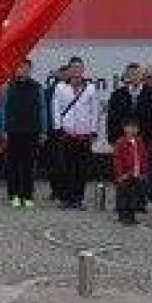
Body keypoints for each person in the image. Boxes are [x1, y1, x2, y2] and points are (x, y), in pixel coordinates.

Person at [49, 57, 98, 209]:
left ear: (83, 70)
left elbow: (94, 111)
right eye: (73, 67)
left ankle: (78, 198)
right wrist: (58, 127)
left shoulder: (90, 88)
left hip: (84, 134)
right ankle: (65, 198)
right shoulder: (60, 87)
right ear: (69, 70)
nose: (76, 70)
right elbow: (56, 108)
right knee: (65, 167)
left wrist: (93, 130)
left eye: (79, 67)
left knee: (81, 168)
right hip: (66, 133)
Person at [0, 60, 46, 207]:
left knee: (29, 165)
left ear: (30, 70)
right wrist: (2, 129)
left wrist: (43, 130)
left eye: (25, 68)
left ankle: (27, 195)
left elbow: (42, 109)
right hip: (12, 131)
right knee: (13, 165)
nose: (22, 70)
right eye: (19, 67)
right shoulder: (7, 87)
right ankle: (14, 195)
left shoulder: (37, 87)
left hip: (32, 131)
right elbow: (2, 109)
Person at [111, 118, 149, 225]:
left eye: (135, 127)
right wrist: (120, 174)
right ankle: (123, 216)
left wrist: (143, 171)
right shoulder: (120, 142)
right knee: (123, 195)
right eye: (130, 127)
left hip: (136, 173)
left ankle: (131, 216)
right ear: (124, 129)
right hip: (125, 174)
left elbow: (144, 157)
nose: (132, 130)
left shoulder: (139, 142)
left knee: (134, 195)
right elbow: (117, 159)